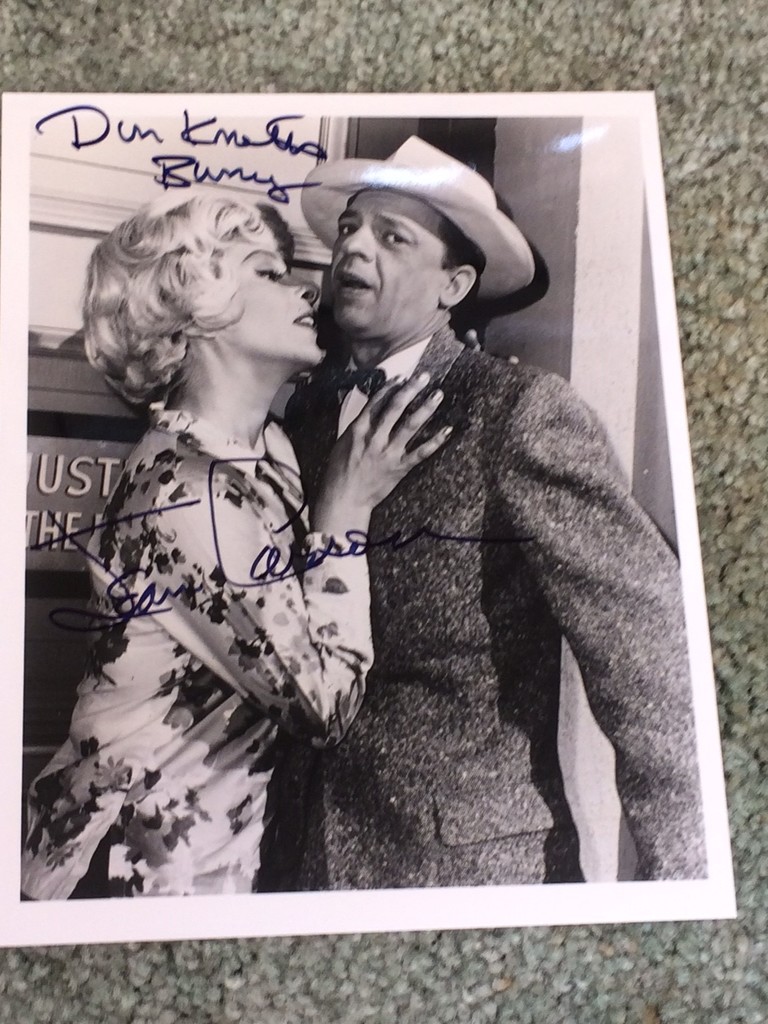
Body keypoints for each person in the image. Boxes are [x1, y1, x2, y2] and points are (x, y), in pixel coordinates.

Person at [268, 136, 707, 890]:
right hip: (300, 865)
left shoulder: (516, 413)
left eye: (393, 237)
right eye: (348, 228)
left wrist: (683, 882)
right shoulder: (301, 417)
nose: (354, 249)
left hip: (464, 874)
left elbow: (651, 662)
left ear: (454, 285)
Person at [21, 191, 450, 900]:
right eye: (267, 273)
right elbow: (321, 707)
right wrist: (343, 516)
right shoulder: (185, 492)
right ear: (197, 309)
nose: (305, 288)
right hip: (131, 875)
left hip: (207, 858)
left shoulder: (266, 448)